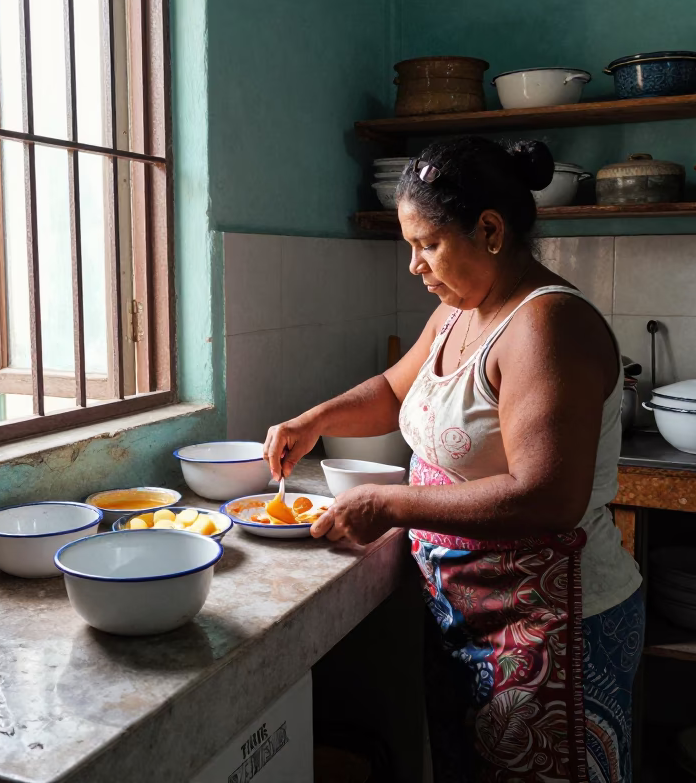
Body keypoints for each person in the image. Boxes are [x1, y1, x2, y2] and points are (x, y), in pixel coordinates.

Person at [264, 136, 644, 783]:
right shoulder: (454, 312)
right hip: (467, 610)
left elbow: (547, 496)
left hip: (548, 623)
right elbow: (391, 391)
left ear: (490, 230)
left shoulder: (546, 326)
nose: (414, 265)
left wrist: (390, 505)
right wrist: (313, 420)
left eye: (427, 244)